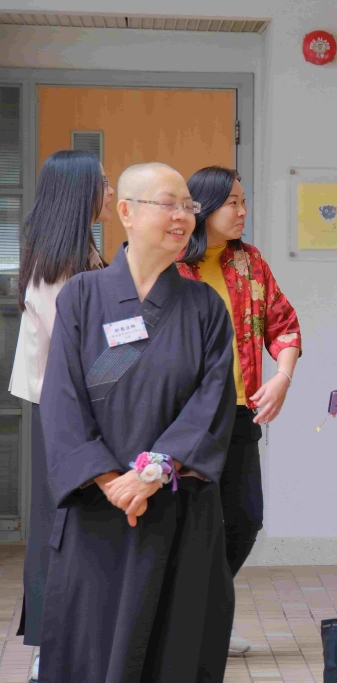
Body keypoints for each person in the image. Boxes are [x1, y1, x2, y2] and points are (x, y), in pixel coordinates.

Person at [38, 162, 237, 682]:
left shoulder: (205, 305)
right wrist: (112, 481)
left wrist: (153, 471)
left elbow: (213, 401)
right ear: (125, 211)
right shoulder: (82, 295)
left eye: (189, 206)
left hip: (176, 503)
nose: (183, 217)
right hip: (99, 508)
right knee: (92, 648)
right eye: (169, 204)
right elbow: (62, 399)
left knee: (175, 648)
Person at [178, 166, 302, 655]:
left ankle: (202, 609)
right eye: (232, 201)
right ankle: (192, 620)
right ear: (202, 207)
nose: (242, 211)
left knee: (245, 519)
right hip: (183, 420)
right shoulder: (171, 264)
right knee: (189, 523)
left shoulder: (250, 262)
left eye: (243, 200)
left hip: (239, 413)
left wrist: (283, 377)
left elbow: (284, 324)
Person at [10, 150, 110, 682]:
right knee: (58, 524)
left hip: (78, 403)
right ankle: (49, 649)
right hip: (63, 408)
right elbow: (76, 349)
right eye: (103, 182)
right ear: (80, 193)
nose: (110, 192)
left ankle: (70, 643)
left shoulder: (80, 251)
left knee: (75, 523)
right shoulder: (56, 263)